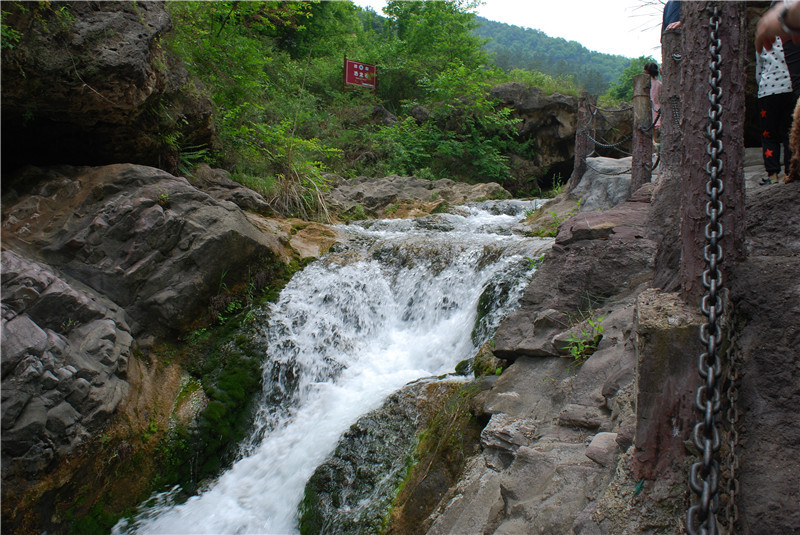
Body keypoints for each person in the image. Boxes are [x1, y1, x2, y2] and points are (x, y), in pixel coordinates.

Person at [756, 33, 796, 184]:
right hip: (790, 87)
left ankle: (772, 174)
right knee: (789, 133)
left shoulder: (763, 36)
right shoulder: (792, 34)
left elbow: (759, 68)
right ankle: (790, 171)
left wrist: (760, 85)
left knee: (768, 135)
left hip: (767, 91)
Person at [644, 62, 662, 133]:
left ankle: (652, 140)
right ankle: (654, 140)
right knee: (654, 124)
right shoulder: (659, 83)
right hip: (656, 106)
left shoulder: (644, 82)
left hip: (646, 105)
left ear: (646, 71)